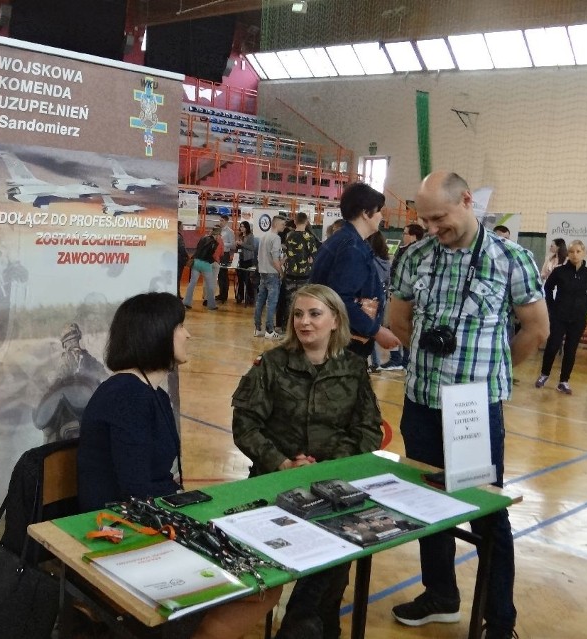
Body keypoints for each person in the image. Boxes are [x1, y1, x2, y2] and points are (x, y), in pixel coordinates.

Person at [387, 171, 549, 639]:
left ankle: (500, 620)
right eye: (425, 219)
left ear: (465, 201)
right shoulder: (414, 255)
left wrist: (490, 373)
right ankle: (441, 596)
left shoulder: (510, 258)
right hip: (420, 402)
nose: (433, 228)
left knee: (487, 513)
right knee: (424, 504)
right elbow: (400, 321)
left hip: (473, 413)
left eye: (440, 218)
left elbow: (535, 330)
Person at [77, 292, 282, 639]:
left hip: (142, 523)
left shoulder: (150, 392)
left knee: (264, 576)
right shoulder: (127, 395)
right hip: (121, 537)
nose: (188, 335)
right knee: (263, 586)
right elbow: (137, 491)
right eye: (180, 327)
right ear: (156, 334)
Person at [232, 284, 383, 639]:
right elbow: (246, 425)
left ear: (335, 320)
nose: (304, 322)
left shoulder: (353, 368)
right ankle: (307, 625)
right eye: (298, 314)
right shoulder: (271, 365)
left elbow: (368, 430)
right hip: (275, 484)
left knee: (334, 557)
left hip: (333, 489)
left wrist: (327, 470)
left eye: (315, 314)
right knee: (322, 580)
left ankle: (306, 625)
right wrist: (284, 464)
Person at [309, 183, 400, 358]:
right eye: (378, 210)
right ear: (366, 213)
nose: (381, 216)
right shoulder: (352, 247)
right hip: (344, 345)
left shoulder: (346, 241)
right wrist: (376, 330)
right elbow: (340, 299)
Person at [535, 240, 587, 395]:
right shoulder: (559, 271)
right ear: (568, 253)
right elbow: (548, 288)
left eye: (578, 251)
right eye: (571, 252)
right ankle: (544, 375)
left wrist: (585, 309)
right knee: (552, 346)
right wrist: (552, 306)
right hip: (559, 316)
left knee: (571, 350)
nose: (574, 255)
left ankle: (563, 381)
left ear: (583, 253)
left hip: (578, 318)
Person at [381, 223, 425, 370]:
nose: (402, 236)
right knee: (392, 325)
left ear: (414, 236)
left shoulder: (420, 253)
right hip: (395, 292)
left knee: (407, 326)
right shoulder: (402, 250)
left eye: (405, 233)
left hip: (410, 297)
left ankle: (407, 358)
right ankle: (396, 357)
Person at [279, 212, 319, 330]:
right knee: (303, 302)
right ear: (306, 222)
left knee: (289, 301)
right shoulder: (309, 237)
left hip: (290, 273)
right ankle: (300, 327)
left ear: (295, 222)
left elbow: (286, 252)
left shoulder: (289, 235)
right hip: (304, 274)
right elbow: (314, 256)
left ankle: (287, 328)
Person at [254, 215, 286, 338]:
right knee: (272, 302)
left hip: (263, 272)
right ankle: (269, 330)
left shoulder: (264, 237)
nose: (284, 226)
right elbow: (275, 259)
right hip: (272, 274)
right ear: (276, 224)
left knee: (260, 301)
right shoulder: (276, 238)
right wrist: (281, 272)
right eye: (282, 224)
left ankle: (257, 328)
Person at [368, 231, 392, 372]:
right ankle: (376, 362)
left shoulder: (370, 260)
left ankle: (374, 361)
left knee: (366, 331)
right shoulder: (386, 261)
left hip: (370, 299)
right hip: (382, 297)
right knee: (375, 330)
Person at [183, 226, 222, 310]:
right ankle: (211, 305)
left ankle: (187, 303)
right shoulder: (214, 243)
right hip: (205, 264)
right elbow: (208, 254)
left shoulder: (203, 238)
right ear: (218, 234)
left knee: (192, 283)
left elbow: (198, 249)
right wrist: (213, 261)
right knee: (210, 285)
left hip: (196, 262)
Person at [215, 212, 235, 303]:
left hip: (225, 254)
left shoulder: (230, 232)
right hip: (218, 254)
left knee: (223, 274)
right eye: (220, 220)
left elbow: (233, 245)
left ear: (226, 221)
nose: (220, 222)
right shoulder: (219, 230)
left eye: (222, 220)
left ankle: (224, 295)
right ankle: (220, 293)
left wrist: (223, 244)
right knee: (219, 275)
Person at [235, 220, 256, 304]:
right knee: (240, 278)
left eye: (243, 226)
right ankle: (240, 296)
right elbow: (238, 246)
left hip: (247, 259)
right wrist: (237, 244)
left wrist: (242, 244)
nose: (242, 228)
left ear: (247, 227)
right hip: (240, 258)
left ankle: (250, 296)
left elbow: (252, 247)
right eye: (241, 226)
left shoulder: (250, 236)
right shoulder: (240, 235)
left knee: (246, 278)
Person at [177, 220, 188, 297]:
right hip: (179, 260)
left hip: (173, 259)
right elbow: (182, 249)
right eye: (182, 225)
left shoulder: (173, 235)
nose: (183, 227)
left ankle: (177, 294)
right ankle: (177, 295)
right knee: (178, 278)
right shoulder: (179, 237)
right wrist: (187, 257)